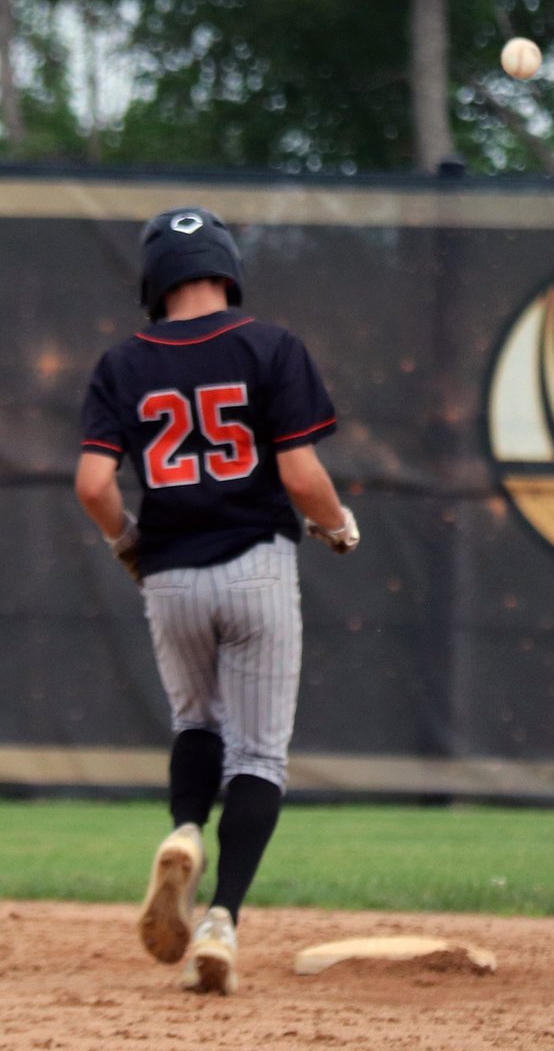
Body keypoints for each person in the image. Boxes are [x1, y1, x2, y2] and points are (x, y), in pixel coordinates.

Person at [75, 206, 360, 995]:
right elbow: (302, 477)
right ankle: (222, 921)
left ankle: (185, 830)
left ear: (153, 284)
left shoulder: (121, 363)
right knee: (259, 757)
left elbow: (93, 485)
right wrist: (337, 530)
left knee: (195, 723)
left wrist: (127, 541)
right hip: (257, 567)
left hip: (168, 576)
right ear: (227, 270)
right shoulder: (270, 346)